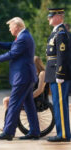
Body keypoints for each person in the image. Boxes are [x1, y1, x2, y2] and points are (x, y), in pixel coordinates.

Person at [0, 17, 40, 140]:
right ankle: (35, 131)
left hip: (23, 77)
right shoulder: (23, 37)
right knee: (29, 105)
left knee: (14, 104)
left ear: (17, 26)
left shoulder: (23, 38)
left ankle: (8, 132)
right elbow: (12, 46)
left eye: (10, 27)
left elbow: (12, 53)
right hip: (26, 76)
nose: (9, 29)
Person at [45, 8, 71, 142]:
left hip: (58, 74)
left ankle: (64, 134)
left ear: (59, 17)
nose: (49, 18)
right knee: (58, 104)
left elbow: (62, 55)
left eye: (51, 16)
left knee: (60, 105)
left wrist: (60, 73)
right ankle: (62, 132)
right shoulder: (56, 32)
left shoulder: (61, 33)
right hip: (54, 73)